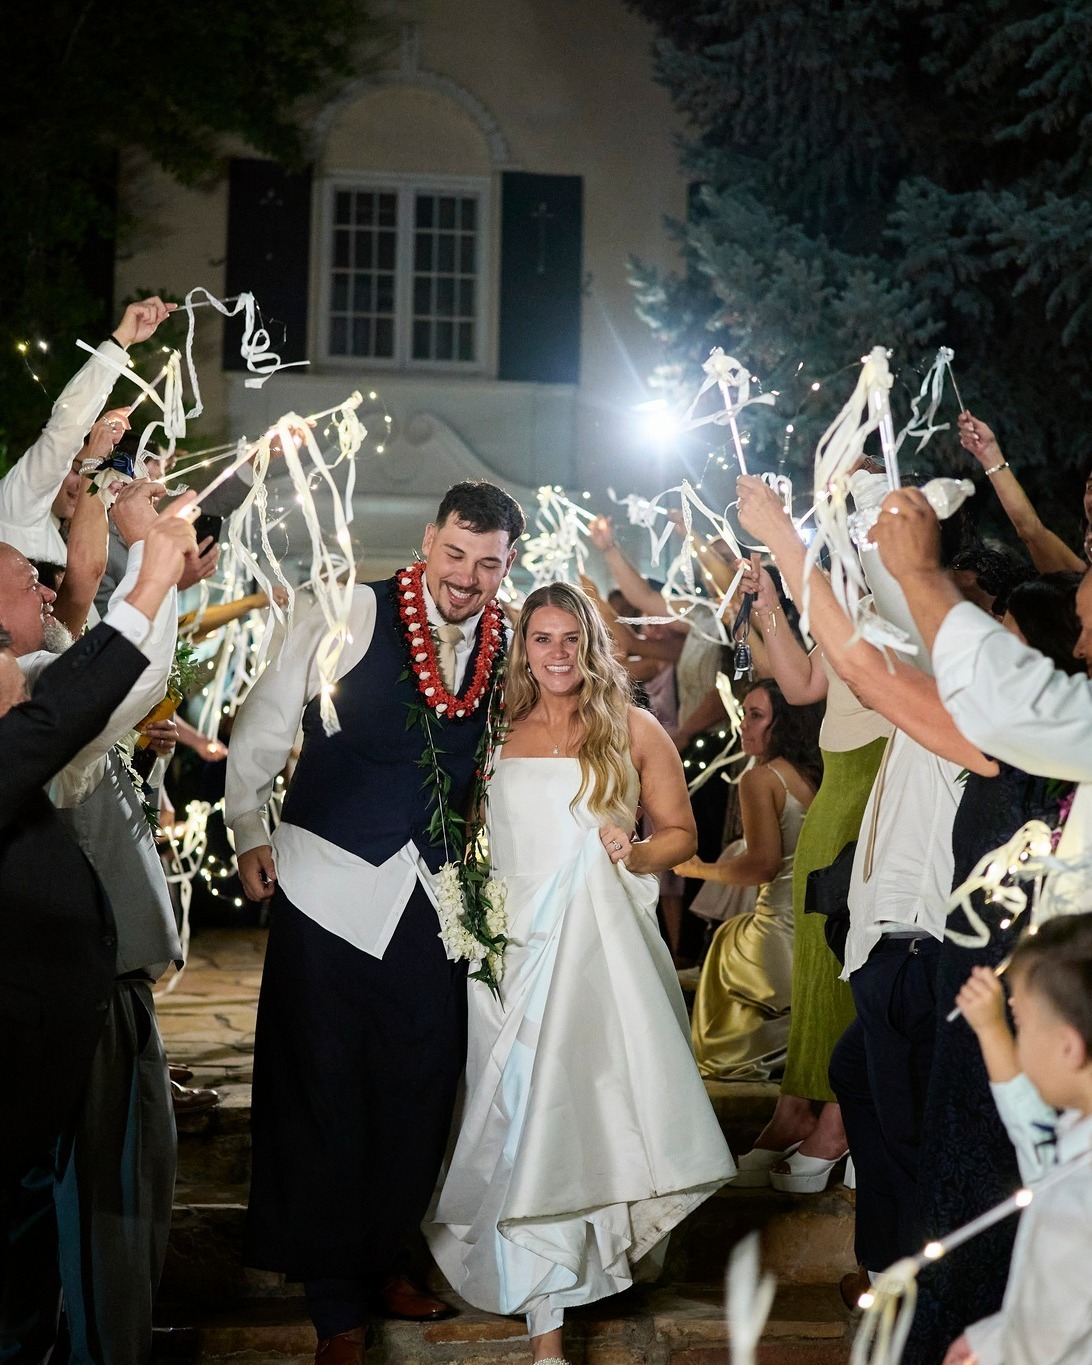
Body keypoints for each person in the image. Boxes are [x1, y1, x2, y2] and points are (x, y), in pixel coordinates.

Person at [225, 481, 525, 1362]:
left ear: (508, 566)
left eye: (489, 563)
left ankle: (384, 1251)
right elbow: (268, 718)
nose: (467, 578)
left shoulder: (505, 642)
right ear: (430, 541)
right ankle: (334, 1304)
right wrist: (246, 825)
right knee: (323, 1088)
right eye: (456, 554)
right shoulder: (347, 608)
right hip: (326, 886)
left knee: (419, 1085)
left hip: (433, 901)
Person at [425, 582, 734, 1365]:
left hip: (598, 949)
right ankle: (549, 1301)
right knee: (518, 1121)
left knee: (564, 1117)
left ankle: (549, 1340)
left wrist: (632, 848)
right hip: (511, 954)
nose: (556, 653)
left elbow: (679, 834)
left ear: (590, 643)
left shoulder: (633, 728)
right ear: (523, 647)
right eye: (542, 639)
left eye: (570, 639)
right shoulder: (493, 730)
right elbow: (463, 834)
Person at [0, 502, 197, 1363]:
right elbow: (95, 693)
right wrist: (151, 572)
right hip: (49, 1029)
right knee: (80, 1219)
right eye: (21, 573)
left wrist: (158, 568)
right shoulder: (24, 728)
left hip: (52, 1024)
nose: (43, 582)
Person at [943, 914, 1092, 1365]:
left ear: (1069, 1047)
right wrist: (992, 1030)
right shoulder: (1072, 1144)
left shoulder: (1075, 1198)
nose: (1018, 1038)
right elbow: (1036, 1137)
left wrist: (992, 1351)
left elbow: (1039, 1337)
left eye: (1021, 1024)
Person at [678, 679, 822, 1083]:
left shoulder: (760, 780)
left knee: (729, 945)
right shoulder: (811, 775)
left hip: (779, 933)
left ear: (786, 724)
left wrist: (697, 869)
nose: (744, 725)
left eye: (756, 716)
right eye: (744, 715)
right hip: (817, 933)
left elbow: (761, 866)